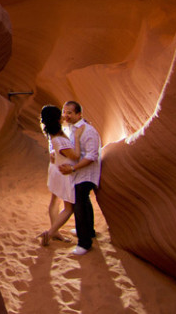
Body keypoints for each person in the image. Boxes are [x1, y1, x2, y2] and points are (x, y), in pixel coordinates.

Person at [59, 100, 101, 256]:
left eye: (70, 112)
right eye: (65, 112)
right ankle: (88, 231)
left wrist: (72, 168)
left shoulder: (88, 131)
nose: (66, 115)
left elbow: (91, 156)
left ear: (79, 114)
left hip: (86, 174)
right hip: (78, 174)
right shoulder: (72, 129)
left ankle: (84, 243)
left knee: (79, 205)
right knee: (84, 203)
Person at [38, 105, 81, 247]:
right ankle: (50, 233)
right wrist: (78, 139)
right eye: (61, 114)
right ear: (57, 118)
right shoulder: (60, 140)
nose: (64, 116)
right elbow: (75, 156)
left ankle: (55, 231)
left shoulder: (51, 132)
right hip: (63, 172)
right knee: (69, 208)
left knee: (55, 200)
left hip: (55, 169)